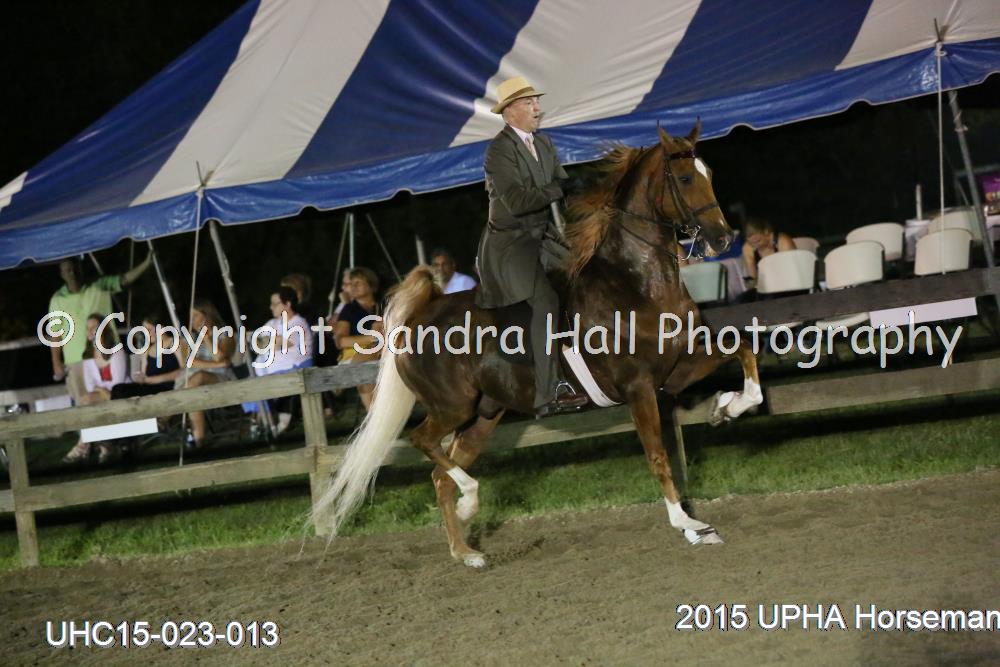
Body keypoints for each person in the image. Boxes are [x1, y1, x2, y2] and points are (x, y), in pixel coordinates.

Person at [475, 76, 587, 417]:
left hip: (542, 235)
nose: (537, 108)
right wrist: (562, 187)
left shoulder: (544, 143)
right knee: (546, 301)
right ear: (510, 112)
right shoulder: (498, 151)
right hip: (510, 242)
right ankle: (547, 392)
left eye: (536, 102)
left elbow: (564, 185)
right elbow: (520, 201)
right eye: (529, 103)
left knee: (587, 278)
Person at [47, 254, 153, 409]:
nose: (72, 273)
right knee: (84, 404)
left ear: (81, 269)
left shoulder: (99, 285)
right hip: (76, 359)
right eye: (67, 270)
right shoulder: (57, 299)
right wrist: (56, 362)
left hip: (109, 353)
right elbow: (55, 334)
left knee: (120, 395)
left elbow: (124, 279)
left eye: (75, 268)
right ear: (61, 274)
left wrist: (146, 263)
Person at [62, 314, 130, 463]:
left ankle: (85, 446)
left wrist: (101, 390)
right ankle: (98, 446)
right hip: (103, 395)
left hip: (120, 395)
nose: (90, 331)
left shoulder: (116, 351)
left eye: (94, 327)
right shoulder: (88, 356)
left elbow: (118, 384)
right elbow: (89, 385)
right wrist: (102, 391)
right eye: (88, 328)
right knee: (85, 400)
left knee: (89, 402)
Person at [248, 286, 314, 434]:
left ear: (288, 304)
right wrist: (266, 341)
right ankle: (265, 425)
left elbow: (277, 344)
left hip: (293, 370)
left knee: (263, 386)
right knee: (252, 384)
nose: (271, 307)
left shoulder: (298, 323)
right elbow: (254, 343)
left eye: (275, 303)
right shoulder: (272, 323)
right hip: (266, 372)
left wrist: (266, 341)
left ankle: (269, 427)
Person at [175, 299, 236, 450]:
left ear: (207, 315)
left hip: (219, 379)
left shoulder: (225, 334)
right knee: (192, 389)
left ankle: (166, 421)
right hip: (190, 382)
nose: (192, 321)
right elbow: (187, 362)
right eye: (191, 317)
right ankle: (199, 443)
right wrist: (218, 364)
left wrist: (207, 338)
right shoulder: (188, 338)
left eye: (195, 316)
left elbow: (219, 356)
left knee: (197, 379)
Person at [334, 267, 381, 409]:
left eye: (358, 283)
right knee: (364, 368)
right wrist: (370, 338)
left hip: (384, 351)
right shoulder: (349, 309)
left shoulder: (384, 306)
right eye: (351, 284)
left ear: (371, 285)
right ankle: (373, 414)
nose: (353, 287)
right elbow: (340, 341)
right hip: (357, 354)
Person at [110, 313, 182, 399]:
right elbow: (143, 377)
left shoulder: (175, 343)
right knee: (117, 389)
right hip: (149, 387)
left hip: (166, 387)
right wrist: (140, 378)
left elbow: (183, 371)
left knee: (122, 392)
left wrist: (154, 379)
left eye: (149, 329)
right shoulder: (147, 350)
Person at [741, 217, 796, 286]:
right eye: (749, 237)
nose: (753, 240)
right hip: (768, 286)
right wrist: (751, 284)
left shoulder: (783, 242)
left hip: (790, 282)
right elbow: (752, 278)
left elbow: (792, 272)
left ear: (766, 232)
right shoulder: (747, 248)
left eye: (758, 241)